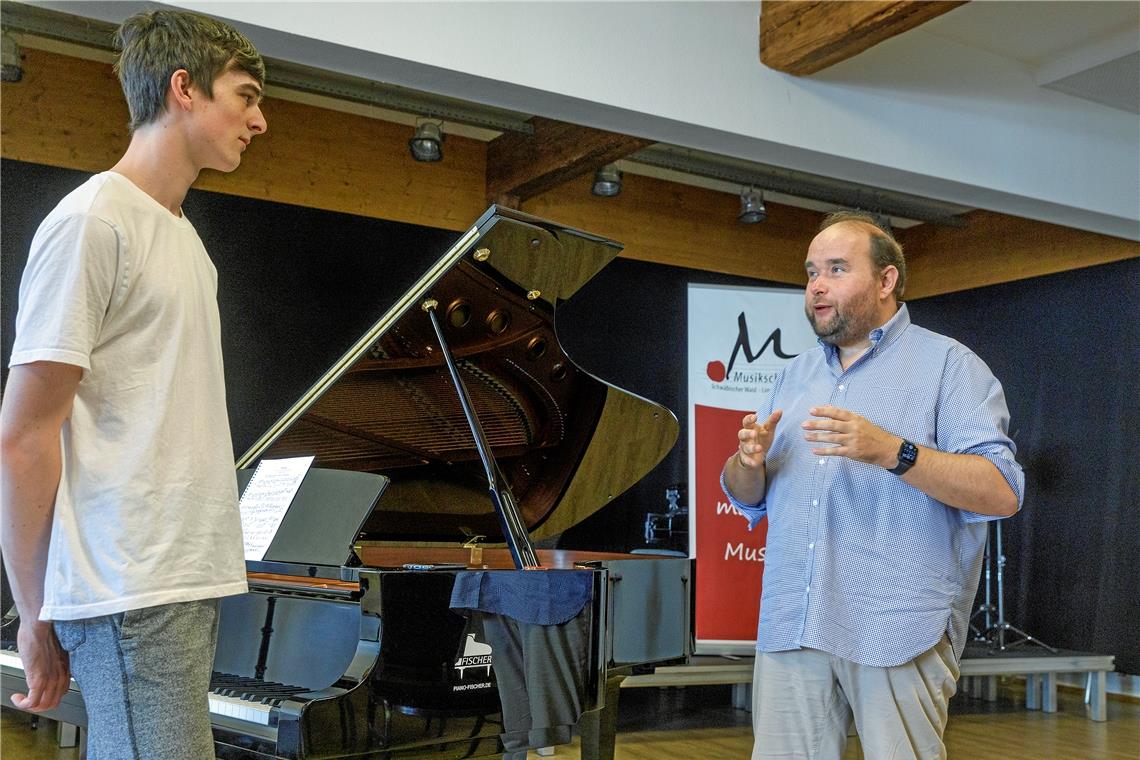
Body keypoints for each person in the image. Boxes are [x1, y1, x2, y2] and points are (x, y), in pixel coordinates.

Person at [0, 9, 267, 758]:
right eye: (245, 96)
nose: (260, 120)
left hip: (177, 580)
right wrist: (34, 610)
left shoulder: (183, 238)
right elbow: (23, 436)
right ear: (185, 88)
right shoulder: (92, 222)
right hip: (130, 590)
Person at [721, 211, 1024, 760]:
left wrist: (894, 451)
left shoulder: (949, 367)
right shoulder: (794, 376)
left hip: (895, 628)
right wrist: (748, 461)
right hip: (795, 622)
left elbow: (1002, 489)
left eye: (837, 269)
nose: (816, 285)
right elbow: (744, 492)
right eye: (812, 271)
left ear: (886, 281)